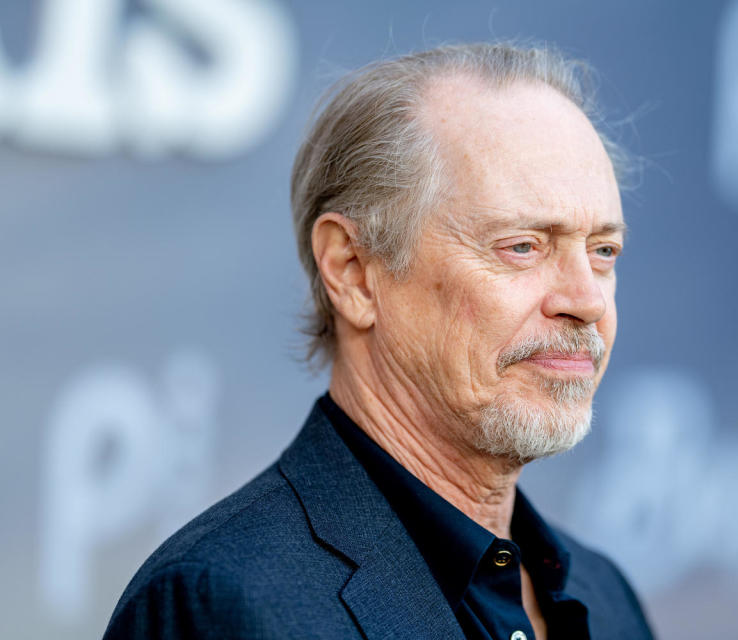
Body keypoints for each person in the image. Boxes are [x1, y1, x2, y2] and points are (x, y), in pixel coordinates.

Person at [103, 42, 654, 640]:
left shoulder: (609, 600)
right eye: (523, 246)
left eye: (603, 252)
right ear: (353, 272)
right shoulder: (221, 605)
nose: (587, 300)